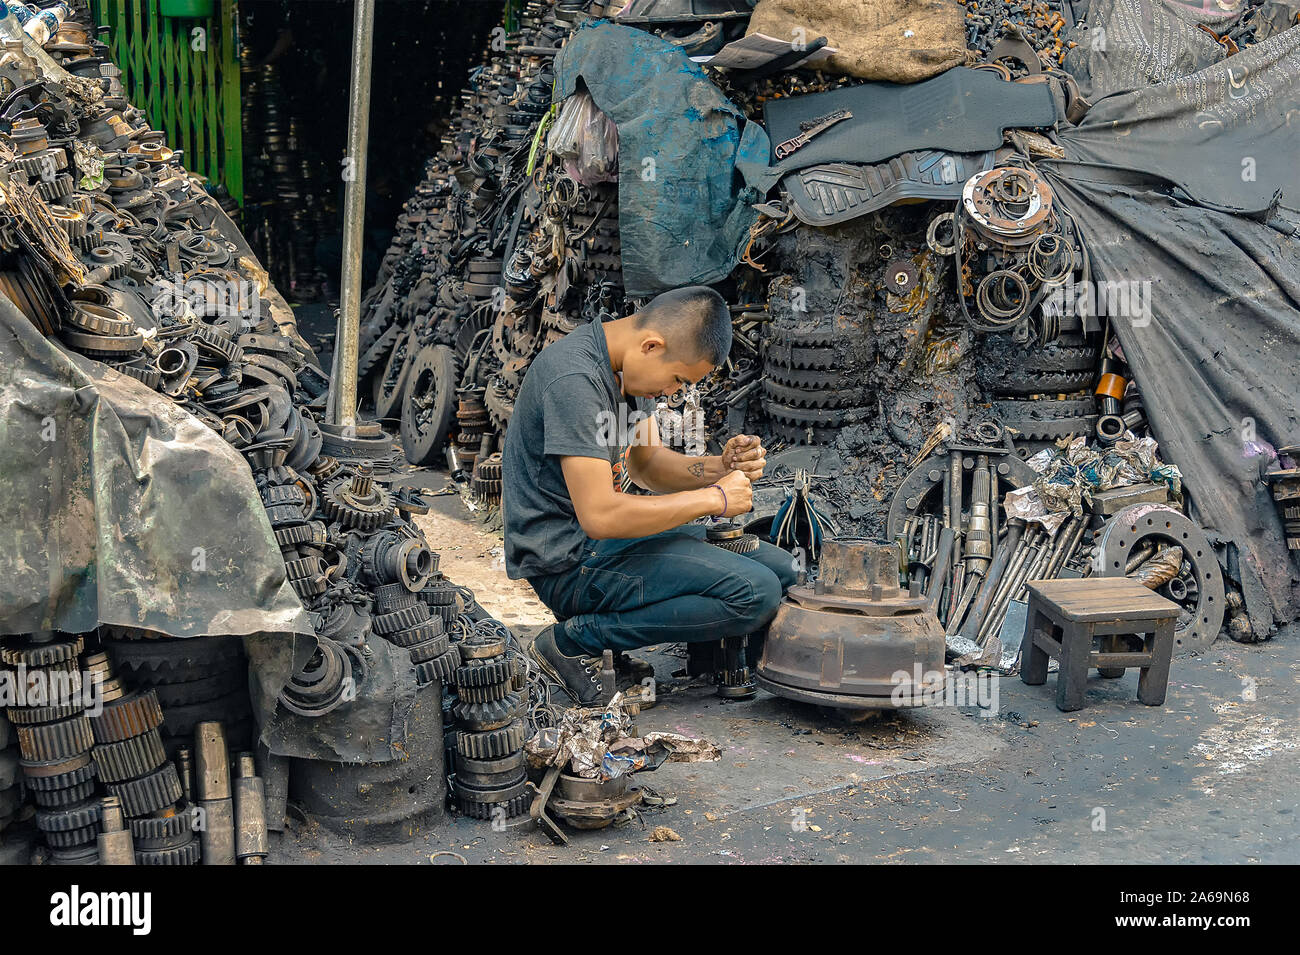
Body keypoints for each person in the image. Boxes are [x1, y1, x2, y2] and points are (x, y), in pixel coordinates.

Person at [501, 286, 797, 704]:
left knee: (782, 569)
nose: (672, 392)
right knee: (755, 592)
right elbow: (600, 515)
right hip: (567, 563)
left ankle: (706, 653)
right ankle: (571, 643)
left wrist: (720, 467)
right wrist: (715, 498)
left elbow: (647, 466)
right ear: (652, 345)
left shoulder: (626, 370)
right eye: (678, 379)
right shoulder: (576, 380)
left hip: (610, 544)